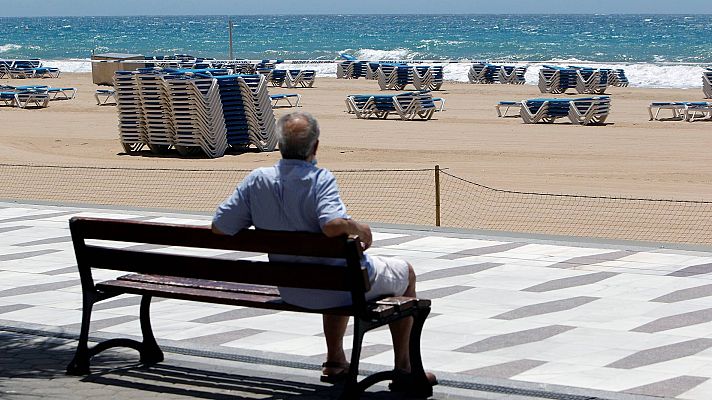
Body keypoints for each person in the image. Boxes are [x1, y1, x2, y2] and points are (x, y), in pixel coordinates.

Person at [211, 111, 435, 389]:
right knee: (405, 272)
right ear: (315, 146)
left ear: (279, 145)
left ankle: (334, 361)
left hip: (291, 288)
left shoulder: (257, 179)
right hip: (336, 287)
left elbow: (220, 226)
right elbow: (330, 225)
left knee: (336, 272)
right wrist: (360, 228)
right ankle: (405, 370)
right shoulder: (319, 178)